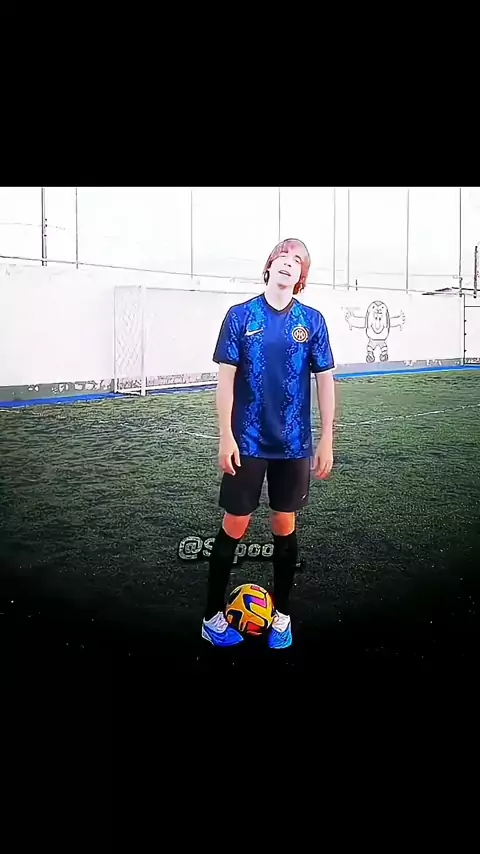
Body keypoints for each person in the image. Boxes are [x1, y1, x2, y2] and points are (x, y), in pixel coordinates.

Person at [201, 237, 335, 649]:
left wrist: (326, 437)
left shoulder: (312, 321)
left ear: (301, 276)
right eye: (283, 255)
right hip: (247, 442)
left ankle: (282, 616)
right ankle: (212, 617)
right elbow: (225, 381)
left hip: (293, 445)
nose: (288, 262)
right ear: (270, 265)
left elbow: (325, 380)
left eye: (298, 260)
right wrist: (226, 435)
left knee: (284, 525)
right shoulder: (241, 315)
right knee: (236, 524)